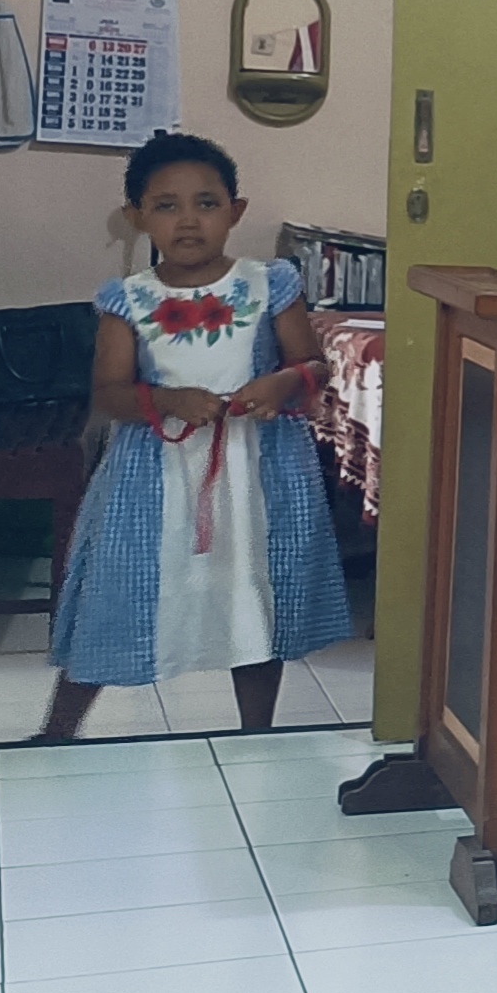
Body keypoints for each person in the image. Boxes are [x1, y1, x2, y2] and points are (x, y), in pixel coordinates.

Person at [39, 130, 353, 739]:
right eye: (166, 205)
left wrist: (284, 382)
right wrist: (168, 400)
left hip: (256, 472)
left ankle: (255, 732)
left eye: (206, 203)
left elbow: (314, 364)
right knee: (120, 587)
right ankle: (57, 731)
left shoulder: (270, 283)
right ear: (136, 216)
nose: (188, 221)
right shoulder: (128, 300)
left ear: (235, 211)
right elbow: (109, 393)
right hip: (154, 476)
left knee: (253, 595)